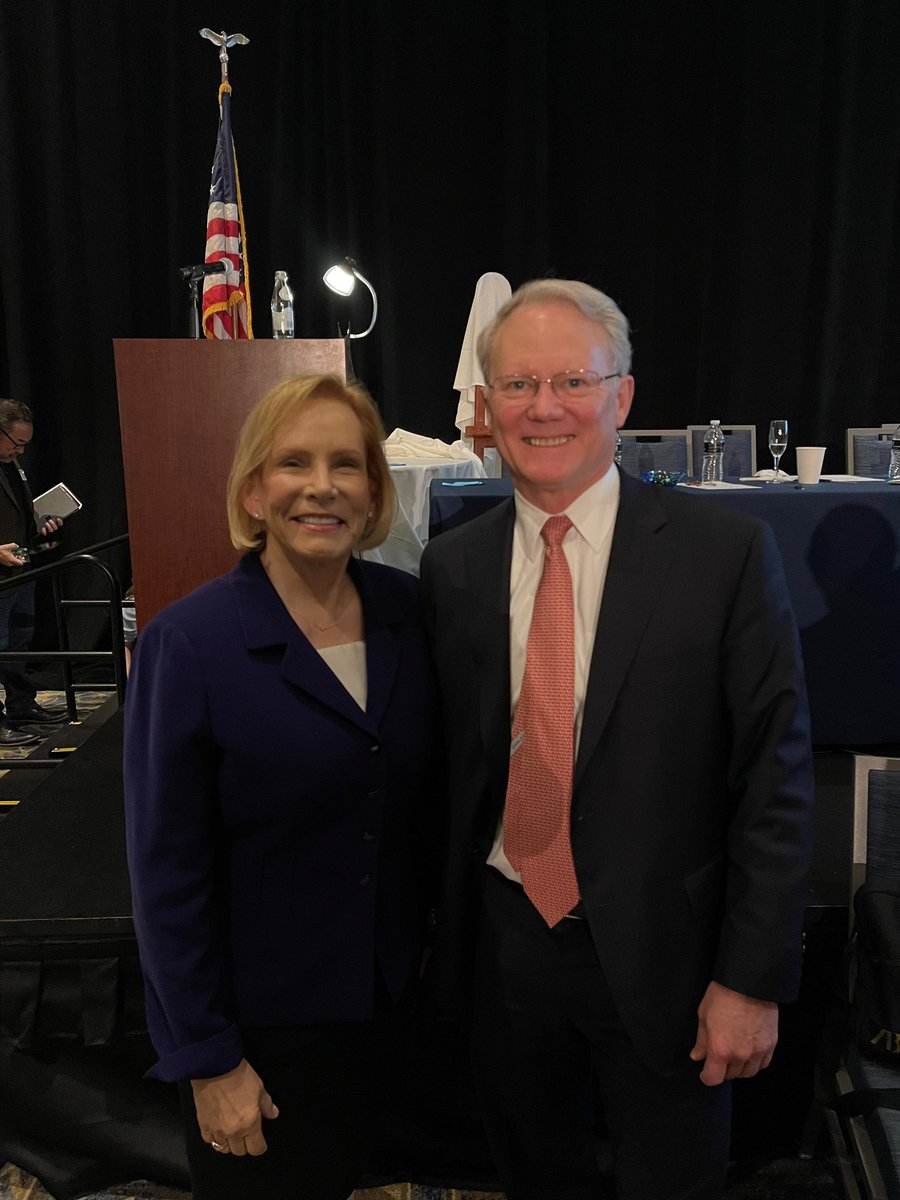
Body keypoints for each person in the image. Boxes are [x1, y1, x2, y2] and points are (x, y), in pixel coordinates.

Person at [419, 279, 814, 1200]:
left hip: (671, 962)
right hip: (507, 952)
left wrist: (750, 982)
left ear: (623, 396)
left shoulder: (726, 554)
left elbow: (775, 780)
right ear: (486, 408)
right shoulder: (454, 566)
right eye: (517, 386)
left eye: (571, 380)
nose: (544, 407)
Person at [124, 373, 436, 1200]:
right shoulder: (189, 643)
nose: (322, 486)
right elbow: (165, 875)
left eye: (347, 464)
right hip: (258, 1033)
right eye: (293, 463)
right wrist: (209, 1059)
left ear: (375, 491)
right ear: (254, 489)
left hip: (386, 1013)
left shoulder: (410, 614)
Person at [0, 397, 66, 746]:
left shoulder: (12, 465)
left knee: (18, 644)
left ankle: (22, 707)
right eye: (17, 443)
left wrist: (40, 522)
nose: (21, 451)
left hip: (20, 572)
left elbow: (18, 515)